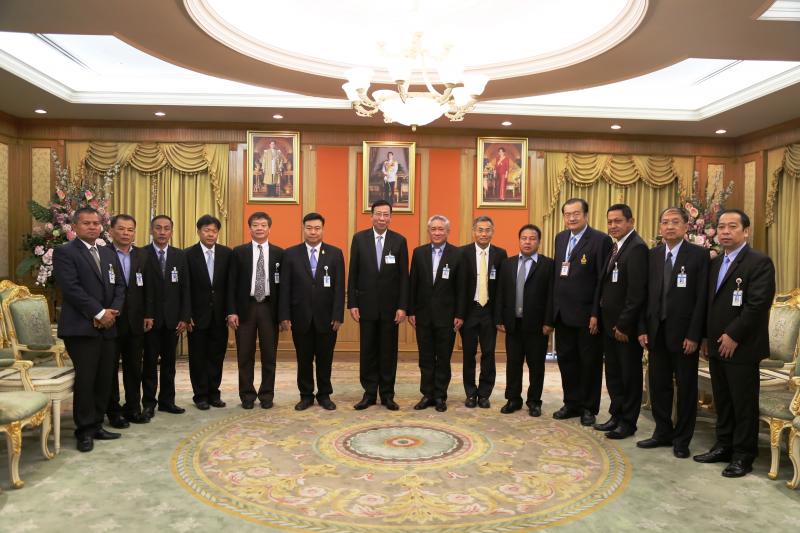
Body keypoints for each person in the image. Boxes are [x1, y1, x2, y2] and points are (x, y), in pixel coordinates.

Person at [695, 209, 775, 478]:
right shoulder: (716, 262)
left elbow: (757, 305)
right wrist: (706, 337)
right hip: (716, 345)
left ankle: (743, 455)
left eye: (732, 226)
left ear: (746, 231)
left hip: (742, 346)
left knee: (743, 403)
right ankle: (724, 446)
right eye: (721, 227)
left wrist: (734, 335)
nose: (725, 232)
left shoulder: (759, 262)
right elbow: (709, 304)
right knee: (723, 400)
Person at [637, 207, 709, 458]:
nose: (669, 226)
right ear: (660, 228)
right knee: (659, 386)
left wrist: (695, 335)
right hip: (656, 332)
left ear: (686, 226)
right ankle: (662, 432)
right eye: (665, 222)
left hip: (684, 336)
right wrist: (642, 328)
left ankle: (682, 439)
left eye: (675, 222)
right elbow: (644, 295)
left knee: (686, 389)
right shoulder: (653, 255)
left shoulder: (699, 256)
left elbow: (702, 299)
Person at [53, 207, 125, 452]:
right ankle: (83, 430)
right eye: (86, 223)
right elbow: (71, 288)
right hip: (81, 328)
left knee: (105, 378)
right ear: (74, 226)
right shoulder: (65, 252)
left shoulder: (107, 253)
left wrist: (112, 312)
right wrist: (99, 313)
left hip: (108, 326)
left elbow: (120, 286)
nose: (93, 227)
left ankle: (96, 424)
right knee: (86, 379)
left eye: (96, 223)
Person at [546, 198, 613, 427]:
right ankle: (571, 403)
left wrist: (596, 313)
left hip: (587, 316)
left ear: (586, 215)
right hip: (563, 314)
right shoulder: (560, 238)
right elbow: (558, 275)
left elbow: (601, 280)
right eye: (567, 214)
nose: (571, 218)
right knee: (567, 361)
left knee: (589, 364)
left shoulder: (600, 240)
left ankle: (588, 408)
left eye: (576, 214)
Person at [279, 213, 345, 411]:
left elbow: (339, 288)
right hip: (300, 317)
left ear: (323, 229)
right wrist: (284, 315)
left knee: (325, 359)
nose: (313, 232)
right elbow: (285, 288)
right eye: (309, 228)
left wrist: (338, 315)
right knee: (304, 359)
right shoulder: (291, 254)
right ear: (303, 229)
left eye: (317, 228)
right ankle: (306, 395)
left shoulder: (335, 253)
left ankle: (324, 395)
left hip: (327, 318)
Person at [348, 200, 408, 411]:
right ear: (371, 215)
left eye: (386, 214)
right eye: (378, 214)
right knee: (368, 351)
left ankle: (387, 394)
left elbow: (404, 277)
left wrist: (402, 306)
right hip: (366, 306)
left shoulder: (399, 241)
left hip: (391, 309)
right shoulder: (359, 239)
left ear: (391, 217)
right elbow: (353, 273)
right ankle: (369, 393)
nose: (382, 218)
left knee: (388, 352)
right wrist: (352, 303)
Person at [596, 204, 648, 439]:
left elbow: (636, 293)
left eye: (618, 221)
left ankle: (628, 422)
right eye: (610, 221)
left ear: (631, 222)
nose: (613, 225)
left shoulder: (637, 248)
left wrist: (624, 324)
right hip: (610, 325)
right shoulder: (616, 246)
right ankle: (616, 416)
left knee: (629, 377)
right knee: (614, 375)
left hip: (624, 328)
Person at [408, 215, 466, 412]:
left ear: (448, 232)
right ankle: (427, 394)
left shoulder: (457, 254)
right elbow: (413, 283)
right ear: (429, 231)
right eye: (433, 229)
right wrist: (411, 310)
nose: (437, 232)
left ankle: (440, 395)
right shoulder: (419, 253)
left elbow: (462, 288)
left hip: (447, 317)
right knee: (425, 358)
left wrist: (460, 314)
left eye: (441, 229)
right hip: (423, 315)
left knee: (443, 358)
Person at [495, 224, 554, 416]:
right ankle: (513, 399)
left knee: (536, 366)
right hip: (513, 324)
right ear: (519, 240)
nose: (527, 242)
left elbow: (551, 296)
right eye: (524, 238)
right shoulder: (507, 264)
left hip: (537, 326)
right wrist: (499, 317)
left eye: (532, 238)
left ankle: (534, 401)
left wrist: (549, 322)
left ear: (539, 242)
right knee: (513, 364)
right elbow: (501, 293)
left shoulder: (548, 265)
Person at [227, 212, 283, 409]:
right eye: (255, 225)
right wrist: (232, 311)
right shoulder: (238, 252)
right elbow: (231, 284)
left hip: (269, 308)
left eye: (263, 225)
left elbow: (283, 287)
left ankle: (267, 395)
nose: (259, 228)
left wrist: (283, 315)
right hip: (246, 308)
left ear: (269, 228)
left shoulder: (279, 253)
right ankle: (247, 396)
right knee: (244, 355)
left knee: (269, 355)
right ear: (249, 228)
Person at [106, 214, 154, 428]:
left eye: (130, 229)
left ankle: (133, 408)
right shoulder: (103, 253)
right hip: (111, 320)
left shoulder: (143, 255)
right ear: (111, 231)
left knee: (134, 368)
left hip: (136, 320)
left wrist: (149, 314)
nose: (126, 233)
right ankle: (113, 411)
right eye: (121, 229)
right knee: (110, 369)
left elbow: (150, 288)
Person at [142, 215, 191, 419]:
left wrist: (184, 317)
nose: (162, 232)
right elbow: (140, 289)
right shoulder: (141, 254)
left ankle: (167, 401)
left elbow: (185, 289)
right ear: (151, 230)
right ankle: (148, 403)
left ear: (171, 231)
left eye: (166, 228)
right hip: (150, 320)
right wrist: (146, 314)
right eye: (158, 228)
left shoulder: (180, 255)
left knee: (170, 364)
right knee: (149, 363)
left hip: (173, 320)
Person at [459, 216, 507, 408]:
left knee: (488, 353)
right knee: (468, 354)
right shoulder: (462, 253)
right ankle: (470, 393)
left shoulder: (500, 254)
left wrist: (500, 316)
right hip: (469, 311)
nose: (484, 234)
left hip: (489, 312)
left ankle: (484, 394)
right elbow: (458, 287)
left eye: (487, 230)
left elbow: (502, 287)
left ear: (492, 232)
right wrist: (458, 314)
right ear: (474, 232)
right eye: (480, 230)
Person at [185, 214, 232, 410]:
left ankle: (214, 393)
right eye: (206, 230)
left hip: (220, 316)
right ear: (199, 232)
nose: (210, 234)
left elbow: (230, 286)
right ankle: (200, 396)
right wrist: (186, 314)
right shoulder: (188, 254)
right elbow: (185, 287)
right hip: (196, 316)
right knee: (198, 358)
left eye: (214, 231)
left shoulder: (227, 253)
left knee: (216, 356)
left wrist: (230, 311)